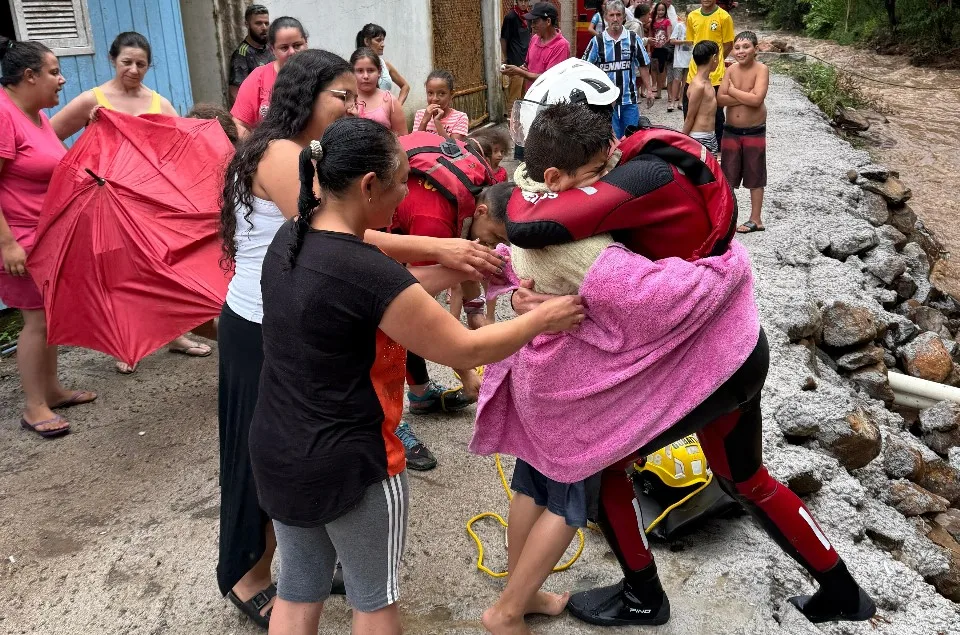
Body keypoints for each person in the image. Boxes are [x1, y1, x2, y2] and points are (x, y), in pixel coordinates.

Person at [250, 116, 584, 635]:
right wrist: (543, 318)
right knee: (374, 602)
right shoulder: (365, 271)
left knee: (297, 592)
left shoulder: (291, 240)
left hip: (279, 450)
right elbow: (464, 345)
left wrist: (458, 268)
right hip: (353, 462)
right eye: (403, 181)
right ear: (368, 186)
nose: (407, 193)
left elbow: (385, 294)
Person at [217, 49, 503, 630]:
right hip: (260, 324)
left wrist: (452, 265)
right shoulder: (281, 157)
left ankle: (325, 549)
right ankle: (247, 573)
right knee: (273, 462)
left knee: (299, 470)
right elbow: (339, 240)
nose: (354, 106)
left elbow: (351, 260)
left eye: (355, 95)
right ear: (305, 98)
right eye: (341, 97)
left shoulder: (315, 167)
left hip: (301, 309)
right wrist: (440, 249)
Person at [480, 103, 614, 635]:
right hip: (571, 385)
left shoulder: (522, 206)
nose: (606, 183)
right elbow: (629, 299)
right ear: (558, 177)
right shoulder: (581, 238)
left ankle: (524, 592)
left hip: (535, 374)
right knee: (569, 500)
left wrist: (518, 304)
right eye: (597, 174)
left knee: (531, 487)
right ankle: (507, 611)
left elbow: (513, 284)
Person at [51, 32, 210, 375]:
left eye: (141, 64)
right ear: (113, 60)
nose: (134, 70)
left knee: (162, 268)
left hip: (150, 203)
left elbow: (178, 150)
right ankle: (129, 342)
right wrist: (78, 172)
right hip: (107, 205)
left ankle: (175, 335)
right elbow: (48, 139)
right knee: (119, 274)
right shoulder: (91, 101)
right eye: (127, 62)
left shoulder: (159, 103)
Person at [0, 38, 97, 439]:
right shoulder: (4, 114)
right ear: (29, 75)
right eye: (54, 71)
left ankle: (52, 390)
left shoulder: (35, 116)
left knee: (50, 315)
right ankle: (33, 406)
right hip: (18, 240)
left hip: (45, 238)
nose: (62, 80)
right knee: (36, 321)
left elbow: (50, 168)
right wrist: (7, 245)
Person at [389, 163, 515, 471]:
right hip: (369, 240)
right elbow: (417, 308)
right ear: (482, 212)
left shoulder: (474, 195)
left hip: (400, 228)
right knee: (390, 322)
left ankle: (420, 395)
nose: (493, 247)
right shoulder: (434, 220)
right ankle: (386, 425)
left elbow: (467, 258)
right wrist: (466, 372)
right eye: (495, 237)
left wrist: (475, 311)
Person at [718, 31, 769, 234]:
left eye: (746, 47)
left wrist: (732, 91)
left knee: (755, 174)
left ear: (755, 49)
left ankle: (756, 219)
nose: (741, 51)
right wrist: (746, 96)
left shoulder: (761, 69)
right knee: (728, 174)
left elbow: (757, 100)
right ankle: (728, 217)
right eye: (737, 47)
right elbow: (720, 100)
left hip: (754, 131)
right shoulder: (731, 70)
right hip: (731, 131)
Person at [583, 1, 653, 138]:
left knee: (632, 137)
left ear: (624, 17)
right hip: (606, 101)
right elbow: (586, 68)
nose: (615, 18)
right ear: (606, 17)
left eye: (618, 15)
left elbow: (643, 64)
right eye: (612, 15)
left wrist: (649, 90)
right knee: (611, 140)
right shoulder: (597, 41)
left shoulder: (633, 38)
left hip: (629, 99)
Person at [230, 16, 308, 137]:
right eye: (284, 48)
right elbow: (239, 124)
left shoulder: (320, 73)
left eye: (297, 45)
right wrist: (259, 150)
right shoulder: (258, 77)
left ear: (306, 43)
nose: (292, 52)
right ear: (272, 49)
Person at [684, 0, 734, 144]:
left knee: (715, 115)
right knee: (690, 112)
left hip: (716, 76)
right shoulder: (692, 16)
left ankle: (717, 150)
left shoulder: (724, 17)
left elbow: (728, 44)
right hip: (693, 73)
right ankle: (689, 145)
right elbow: (693, 43)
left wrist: (715, 63)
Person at [352, 48, 407, 135]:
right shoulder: (346, 99)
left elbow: (403, 139)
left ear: (379, 71)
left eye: (370, 70)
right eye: (360, 71)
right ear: (352, 72)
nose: (365, 76)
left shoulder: (390, 102)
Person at [228, 4, 273, 105]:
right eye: (258, 23)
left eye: (266, 23)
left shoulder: (272, 46)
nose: (264, 27)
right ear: (247, 24)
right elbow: (235, 93)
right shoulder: (242, 54)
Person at [356, 23, 410, 105]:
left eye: (383, 40)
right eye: (378, 40)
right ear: (366, 41)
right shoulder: (355, 66)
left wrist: (397, 106)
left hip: (385, 115)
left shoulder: (385, 65)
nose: (383, 44)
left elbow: (405, 86)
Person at [683, 41, 720, 156]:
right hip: (700, 138)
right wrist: (682, 140)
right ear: (714, 58)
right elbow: (690, 117)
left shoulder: (707, 81)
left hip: (710, 136)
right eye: (718, 57)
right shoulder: (698, 86)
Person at [413, 70, 469, 140]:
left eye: (441, 93)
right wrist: (424, 121)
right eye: (430, 93)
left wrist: (437, 122)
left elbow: (454, 148)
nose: (435, 99)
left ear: (451, 94)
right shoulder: (420, 115)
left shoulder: (460, 118)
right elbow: (415, 143)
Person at [500, 0, 532, 117]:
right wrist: (506, 57)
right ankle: (511, 118)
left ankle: (521, 119)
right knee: (515, 94)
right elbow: (504, 39)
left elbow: (529, 37)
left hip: (526, 62)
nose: (523, 3)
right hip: (514, 60)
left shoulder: (528, 17)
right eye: (521, 1)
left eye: (526, 1)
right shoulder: (510, 17)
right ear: (516, 2)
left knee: (525, 93)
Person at [668, 10, 692, 112]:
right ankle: (672, 102)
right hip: (679, 58)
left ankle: (681, 101)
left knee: (686, 81)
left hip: (690, 58)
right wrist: (684, 41)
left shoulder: (695, 27)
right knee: (676, 80)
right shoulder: (679, 26)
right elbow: (672, 40)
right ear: (685, 16)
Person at [650, 3, 672, 99]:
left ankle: (663, 93)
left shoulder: (667, 22)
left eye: (662, 10)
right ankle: (656, 89)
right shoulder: (653, 22)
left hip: (664, 49)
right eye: (659, 10)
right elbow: (650, 35)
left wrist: (663, 43)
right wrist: (649, 48)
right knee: (654, 69)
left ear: (665, 11)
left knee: (662, 70)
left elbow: (669, 36)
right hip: (655, 49)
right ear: (656, 11)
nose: (661, 12)